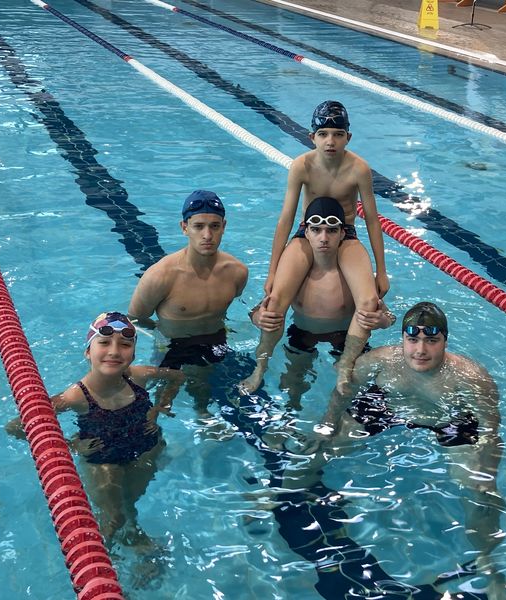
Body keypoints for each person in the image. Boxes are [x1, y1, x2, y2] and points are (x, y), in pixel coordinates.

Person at [286, 302, 506, 598]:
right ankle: (282, 496)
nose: (420, 350)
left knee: (479, 493)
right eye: (412, 339)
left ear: (445, 341)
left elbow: (491, 431)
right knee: (320, 450)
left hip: (450, 420)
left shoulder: (471, 378)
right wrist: (326, 426)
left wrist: (487, 473)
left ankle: (487, 561)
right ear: (403, 338)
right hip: (387, 405)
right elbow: (343, 392)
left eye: (431, 340)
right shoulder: (380, 361)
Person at [241, 101, 389, 394]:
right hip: (305, 232)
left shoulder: (359, 168)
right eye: (323, 134)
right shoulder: (302, 165)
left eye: (337, 134)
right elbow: (286, 218)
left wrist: (381, 271)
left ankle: (346, 364)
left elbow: (373, 220)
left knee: (369, 303)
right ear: (312, 137)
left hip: (345, 233)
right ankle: (260, 367)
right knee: (274, 302)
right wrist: (272, 272)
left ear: (348, 137)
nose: (330, 141)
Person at [7, 312, 184, 552]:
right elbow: (17, 427)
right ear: (88, 352)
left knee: (130, 504)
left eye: (125, 345)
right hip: (103, 459)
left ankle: (133, 535)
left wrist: (160, 406)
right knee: (113, 519)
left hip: (145, 448)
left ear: (133, 354)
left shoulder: (140, 376)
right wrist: (70, 445)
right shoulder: (76, 396)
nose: (114, 351)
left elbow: (177, 376)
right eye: (104, 343)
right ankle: (105, 561)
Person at [248, 196, 395, 408]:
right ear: (306, 233)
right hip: (302, 334)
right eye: (316, 230)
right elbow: (266, 305)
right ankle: (268, 381)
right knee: (290, 387)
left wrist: (383, 321)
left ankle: (343, 380)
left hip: (345, 339)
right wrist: (257, 316)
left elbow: (386, 314)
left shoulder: (353, 275)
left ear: (343, 233)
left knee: (354, 391)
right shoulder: (296, 273)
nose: (323, 238)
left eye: (331, 230)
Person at [128, 190, 248, 412]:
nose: (207, 235)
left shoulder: (237, 272)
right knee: (161, 406)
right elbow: (135, 318)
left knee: (206, 391)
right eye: (198, 226)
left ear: (224, 226)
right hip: (171, 345)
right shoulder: (160, 276)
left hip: (215, 339)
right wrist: (159, 334)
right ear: (184, 227)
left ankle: (202, 415)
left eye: (214, 226)